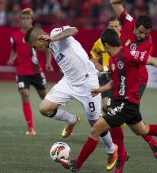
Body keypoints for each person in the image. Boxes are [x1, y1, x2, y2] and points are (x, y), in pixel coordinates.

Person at [60, 28, 157, 173]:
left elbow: (150, 60)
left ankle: (77, 164)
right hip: (123, 103)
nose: (104, 51)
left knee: (95, 129)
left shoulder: (128, 54)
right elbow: (115, 82)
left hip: (125, 103)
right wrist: (99, 90)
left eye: (104, 47)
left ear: (107, 44)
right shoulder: (114, 60)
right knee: (143, 130)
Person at [24, 26, 118, 171]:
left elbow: (74, 30)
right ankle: (72, 119)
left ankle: (112, 150)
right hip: (68, 82)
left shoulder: (55, 33)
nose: (35, 49)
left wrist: (53, 38)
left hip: (87, 83)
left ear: (40, 38)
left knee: (96, 123)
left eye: (34, 46)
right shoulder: (50, 47)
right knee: (44, 109)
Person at [109, 0, 157, 170]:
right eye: (140, 33)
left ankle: (123, 155)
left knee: (124, 116)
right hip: (119, 77)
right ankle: (141, 146)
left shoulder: (148, 43)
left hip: (137, 80)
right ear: (134, 26)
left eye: (146, 34)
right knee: (121, 117)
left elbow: (138, 63)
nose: (142, 36)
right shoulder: (128, 21)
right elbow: (114, 1)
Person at [7, 8, 53, 136]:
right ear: (20, 21)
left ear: (32, 21)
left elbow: (48, 48)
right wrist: (11, 59)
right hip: (21, 72)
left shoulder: (36, 34)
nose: (25, 21)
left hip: (36, 71)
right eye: (23, 18)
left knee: (46, 98)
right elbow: (14, 50)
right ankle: (31, 128)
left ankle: (64, 118)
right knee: (25, 94)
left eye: (28, 18)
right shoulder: (14, 36)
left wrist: (48, 63)